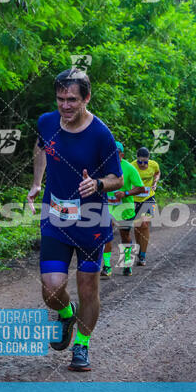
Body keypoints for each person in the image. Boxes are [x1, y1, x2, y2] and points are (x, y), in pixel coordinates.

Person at [27, 68, 123, 372]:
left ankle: (82, 345)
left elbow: (117, 179)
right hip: (55, 216)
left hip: (90, 222)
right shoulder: (46, 122)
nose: (65, 106)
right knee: (52, 288)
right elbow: (40, 148)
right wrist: (36, 182)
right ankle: (67, 314)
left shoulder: (100, 135)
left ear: (87, 98)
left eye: (72, 100)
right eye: (60, 99)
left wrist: (97, 184)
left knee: (87, 288)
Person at [100, 141, 146, 278]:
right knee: (107, 236)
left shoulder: (129, 168)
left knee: (125, 235)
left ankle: (126, 263)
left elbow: (140, 188)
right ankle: (107, 266)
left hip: (125, 208)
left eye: (116, 154)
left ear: (122, 154)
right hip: (108, 206)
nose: (112, 156)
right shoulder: (103, 167)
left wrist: (125, 193)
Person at [131, 147, 160, 266]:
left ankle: (143, 254)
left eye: (145, 162)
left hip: (148, 198)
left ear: (149, 159)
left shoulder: (154, 165)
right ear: (136, 159)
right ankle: (139, 249)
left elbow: (158, 172)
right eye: (140, 162)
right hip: (134, 199)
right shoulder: (131, 166)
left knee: (144, 224)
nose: (143, 164)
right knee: (137, 226)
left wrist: (155, 182)